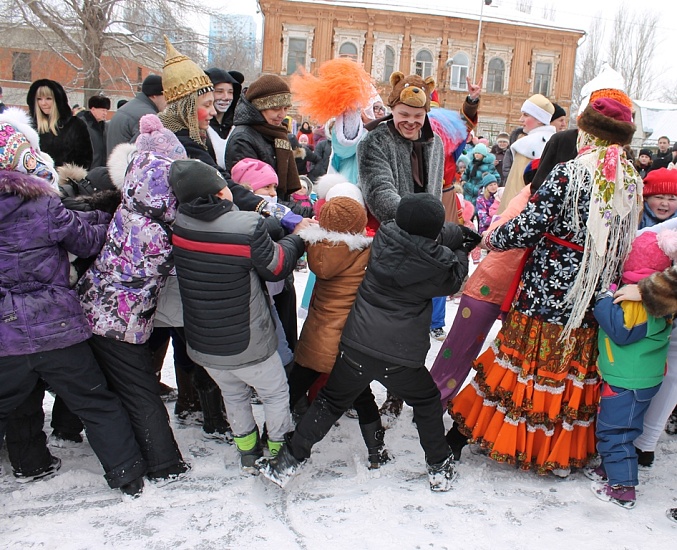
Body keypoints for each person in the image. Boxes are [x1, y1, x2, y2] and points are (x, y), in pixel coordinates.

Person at [447, 98, 641, 476]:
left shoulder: (571, 172)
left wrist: (493, 237)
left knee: (521, 360)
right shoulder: (630, 180)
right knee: (567, 367)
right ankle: (553, 451)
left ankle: (474, 434)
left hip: (547, 287)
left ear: (587, 131)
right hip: (589, 293)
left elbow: (529, 225)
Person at [256, 194, 474, 492]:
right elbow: (457, 275)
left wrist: (450, 234)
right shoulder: (440, 268)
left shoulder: (383, 238)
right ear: (435, 231)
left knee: (330, 401)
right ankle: (438, 466)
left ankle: (288, 462)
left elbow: (419, 233)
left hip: (356, 345)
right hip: (401, 358)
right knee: (425, 402)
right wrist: (462, 246)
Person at [0, 107, 147, 496]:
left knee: (16, 402)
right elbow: (87, 241)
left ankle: (31, 462)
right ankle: (127, 474)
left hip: (5, 333)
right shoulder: (43, 206)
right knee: (94, 401)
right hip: (55, 326)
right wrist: (105, 218)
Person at [357, 71, 481, 419]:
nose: (410, 122)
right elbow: (379, 192)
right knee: (379, 323)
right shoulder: (375, 141)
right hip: (390, 240)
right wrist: (420, 225)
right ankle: (360, 390)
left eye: (417, 116)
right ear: (392, 109)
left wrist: (438, 230)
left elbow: (434, 193)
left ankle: (397, 394)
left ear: (426, 114)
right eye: (403, 115)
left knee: (415, 324)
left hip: (425, 240)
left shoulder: (435, 142)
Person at [168, 159, 306, 471]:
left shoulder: (180, 224)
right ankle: (279, 449)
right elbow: (276, 265)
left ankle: (247, 450)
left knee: (235, 396)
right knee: (274, 394)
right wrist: (297, 237)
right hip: (249, 343)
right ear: (218, 195)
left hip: (205, 343)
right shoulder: (246, 227)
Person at [77, 114, 189, 481]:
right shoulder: (166, 226)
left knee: (100, 379)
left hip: (93, 304)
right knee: (139, 390)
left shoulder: (126, 208)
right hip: (125, 320)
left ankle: (65, 428)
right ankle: (164, 463)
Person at [286, 195, 391, 468]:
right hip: (348, 340)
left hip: (315, 338)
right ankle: (376, 450)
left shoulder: (316, 247)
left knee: (291, 388)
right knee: (362, 395)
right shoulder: (365, 252)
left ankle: (269, 437)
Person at [585, 230, 677, 509]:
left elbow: (623, 332)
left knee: (614, 433)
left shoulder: (636, 299)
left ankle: (622, 488)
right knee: (627, 428)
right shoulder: (663, 299)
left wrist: (602, 301)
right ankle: (610, 470)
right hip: (645, 377)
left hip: (626, 378)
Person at [496, 94, 555, 214]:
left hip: (519, 214)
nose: (520, 119)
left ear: (539, 119)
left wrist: (502, 218)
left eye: (526, 115)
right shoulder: (555, 142)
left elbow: (515, 188)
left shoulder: (526, 146)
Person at [26, 79, 93, 169]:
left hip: (66, 180)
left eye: (48, 98)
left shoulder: (75, 125)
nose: (43, 103)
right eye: (39, 99)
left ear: (57, 100)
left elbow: (85, 159)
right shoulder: (29, 126)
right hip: (37, 180)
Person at [106, 74, 165, 155]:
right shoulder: (147, 117)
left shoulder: (126, 109)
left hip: (116, 165)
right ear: (154, 95)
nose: (167, 100)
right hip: (128, 165)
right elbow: (145, 155)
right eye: (165, 95)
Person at [204, 67, 243, 168]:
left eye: (230, 92)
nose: (226, 97)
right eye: (219, 91)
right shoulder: (199, 126)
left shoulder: (238, 125)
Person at [78, 95, 110, 169]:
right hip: (86, 169)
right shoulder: (81, 124)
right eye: (103, 110)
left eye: (106, 111)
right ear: (93, 109)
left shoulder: (105, 127)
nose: (105, 113)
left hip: (102, 169)